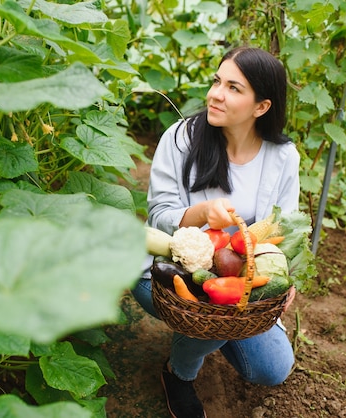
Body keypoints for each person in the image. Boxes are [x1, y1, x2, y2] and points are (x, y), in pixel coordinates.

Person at [132, 46, 300, 418]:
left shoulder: (283, 157)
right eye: (216, 81)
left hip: (240, 284)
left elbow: (285, 228)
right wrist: (202, 213)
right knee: (213, 310)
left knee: (271, 368)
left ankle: (204, 335)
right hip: (166, 273)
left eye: (234, 88)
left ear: (262, 107)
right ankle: (179, 372)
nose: (215, 94)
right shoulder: (181, 139)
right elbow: (159, 215)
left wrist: (287, 281)